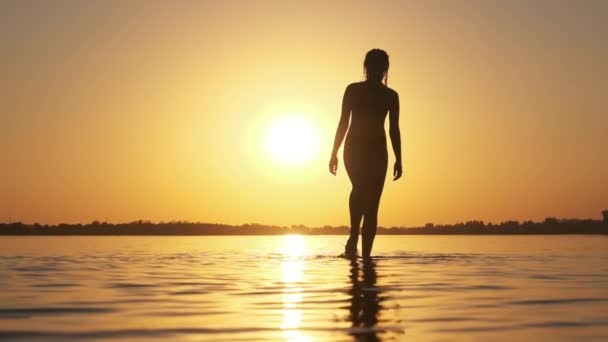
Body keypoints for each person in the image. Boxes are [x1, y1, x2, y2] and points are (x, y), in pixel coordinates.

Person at [329, 49, 402, 259]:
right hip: (354, 148)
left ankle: (367, 255)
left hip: (378, 151)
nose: (376, 70)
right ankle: (353, 235)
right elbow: (343, 122)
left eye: (381, 67)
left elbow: (394, 129)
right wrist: (333, 152)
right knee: (360, 189)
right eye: (373, 66)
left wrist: (399, 158)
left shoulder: (391, 96)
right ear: (366, 67)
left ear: (384, 69)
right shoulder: (353, 90)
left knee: (373, 204)